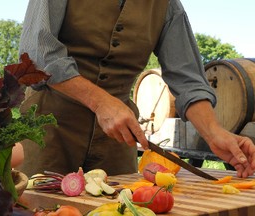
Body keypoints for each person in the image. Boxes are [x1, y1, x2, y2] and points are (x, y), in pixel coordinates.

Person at [17, 0, 255, 178]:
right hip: (48, 129)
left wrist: (214, 133)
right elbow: (37, 53)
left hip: (118, 141)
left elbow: (188, 77)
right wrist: (100, 102)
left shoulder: (167, 5)